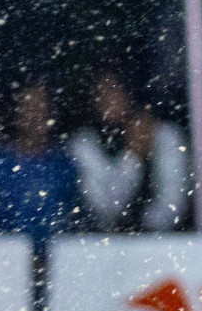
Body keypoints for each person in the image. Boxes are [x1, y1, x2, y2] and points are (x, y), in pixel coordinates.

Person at [67, 70, 188, 232]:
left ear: (128, 94)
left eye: (112, 90)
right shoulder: (84, 141)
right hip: (105, 242)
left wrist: (147, 227)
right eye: (100, 93)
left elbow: (174, 202)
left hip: (163, 242)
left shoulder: (165, 135)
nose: (106, 99)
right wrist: (133, 156)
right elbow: (107, 208)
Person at [0, 82, 81, 241]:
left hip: (58, 258)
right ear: (17, 114)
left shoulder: (64, 166)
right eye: (30, 109)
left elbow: (76, 221)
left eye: (42, 109)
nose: (37, 117)